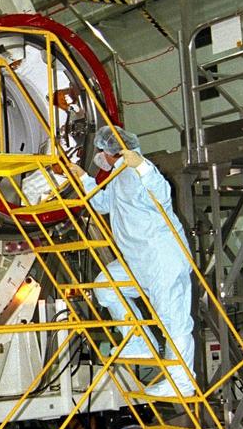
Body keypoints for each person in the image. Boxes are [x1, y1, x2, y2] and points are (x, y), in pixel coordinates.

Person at [65, 125, 195, 398]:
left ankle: (182, 381)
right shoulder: (117, 174)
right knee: (106, 286)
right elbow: (102, 205)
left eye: (101, 151)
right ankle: (138, 342)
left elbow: (161, 194)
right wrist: (84, 179)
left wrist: (144, 168)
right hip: (136, 259)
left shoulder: (137, 169)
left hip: (162, 257)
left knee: (172, 320)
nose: (99, 155)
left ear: (112, 151)